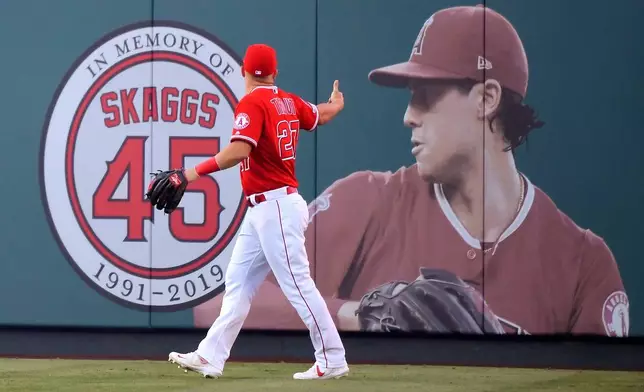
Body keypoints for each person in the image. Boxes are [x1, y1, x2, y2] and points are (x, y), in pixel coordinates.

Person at [193, 5, 629, 337]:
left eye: (425, 95)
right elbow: (217, 307)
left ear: (486, 99)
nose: (408, 116)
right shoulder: (367, 201)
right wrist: (361, 315)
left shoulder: (583, 265)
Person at [168, 43, 350, 380]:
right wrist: (336, 103)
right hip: (265, 209)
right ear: (274, 73)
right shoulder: (288, 100)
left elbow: (239, 150)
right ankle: (210, 355)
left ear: (244, 70)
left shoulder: (253, 101)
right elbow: (320, 114)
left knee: (298, 285)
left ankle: (333, 357)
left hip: (276, 207)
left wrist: (190, 174)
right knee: (237, 282)